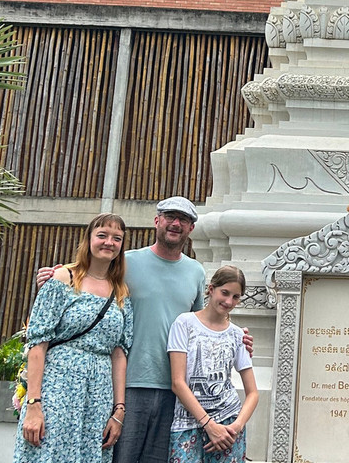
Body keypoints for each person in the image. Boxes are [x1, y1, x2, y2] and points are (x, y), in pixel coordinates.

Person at [38, 197, 250, 463]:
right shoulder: (126, 262)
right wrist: (56, 275)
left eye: (183, 220)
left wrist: (236, 338)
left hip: (177, 391)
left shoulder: (196, 272)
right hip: (127, 385)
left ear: (191, 228)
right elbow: (91, 275)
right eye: (170, 216)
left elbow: (203, 323)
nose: (176, 223)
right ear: (156, 221)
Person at [15, 213, 133, 463]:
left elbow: (120, 353)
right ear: (88, 239)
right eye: (102, 235)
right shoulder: (62, 280)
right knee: (48, 452)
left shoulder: (121, 293)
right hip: (58, 385)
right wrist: (34, 404)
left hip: (99, 393)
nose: (108, 242)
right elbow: (38, 343)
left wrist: (118, 410)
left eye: (116, 238)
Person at [167, 265, 259, 463]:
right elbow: (177, 382)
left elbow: (253, 393)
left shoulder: (237, 335)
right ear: (211, 289)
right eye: (224, 293)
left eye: (235, 297)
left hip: (228, 424)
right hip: (188, 422)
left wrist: (236, 427)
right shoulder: (184, 324)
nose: (228, 301)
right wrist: (208, 424)